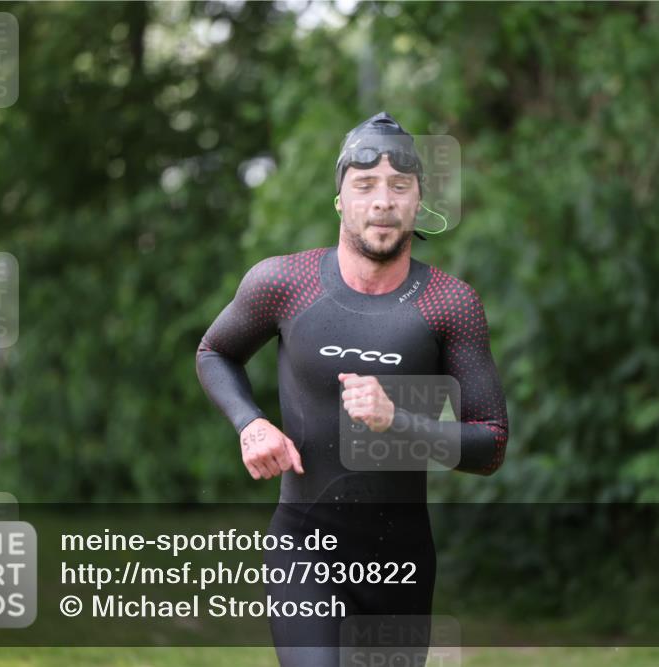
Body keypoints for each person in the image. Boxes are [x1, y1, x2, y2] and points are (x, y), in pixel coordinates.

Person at [196, 111, 509, 666]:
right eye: (365, 185)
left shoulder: (449, 304)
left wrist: (397, 421)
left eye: (399, 186)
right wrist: (251, 423)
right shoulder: (284, 283)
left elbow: (491, 445)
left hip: (400, 560)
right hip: (304, 545)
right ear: (340, 199)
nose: (382, 201)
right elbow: (214, 352)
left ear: (419, 200)